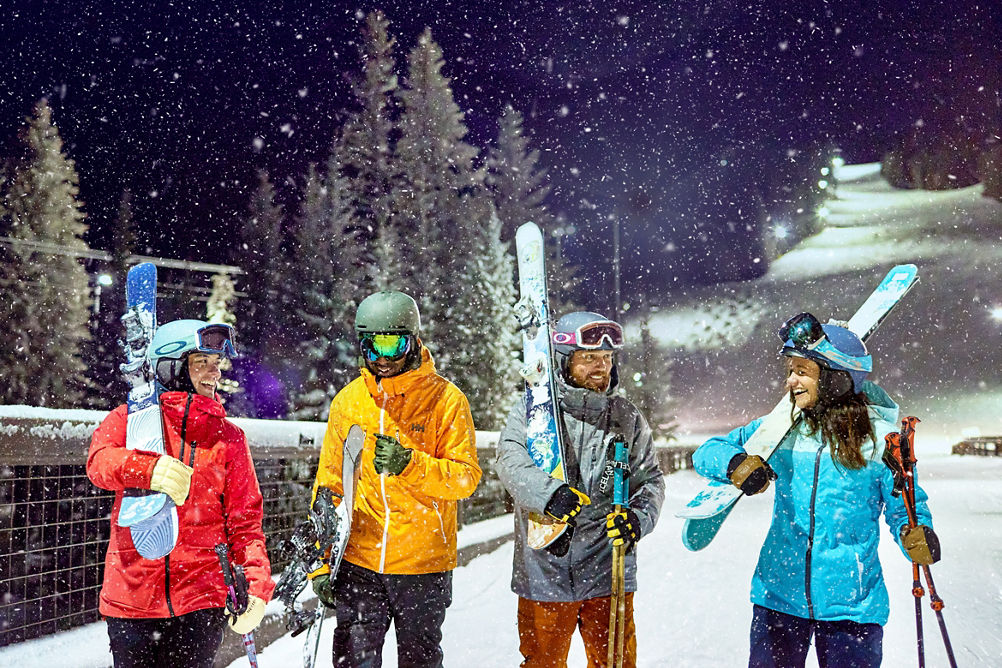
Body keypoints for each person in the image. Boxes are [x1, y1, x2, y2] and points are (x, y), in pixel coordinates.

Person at [692, 313, 940, 668]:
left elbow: (906, 506)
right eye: (790, 370)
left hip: (852, 607)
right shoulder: (779, 429)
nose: (790, 381)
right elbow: (707, 452)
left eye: (802, 371)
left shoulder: (881, 440)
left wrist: (915, 533)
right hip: (778, 597)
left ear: (836, 378)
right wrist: (735, 465)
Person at [308, 290, 482, 667]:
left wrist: (412, 465)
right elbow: (330, 484)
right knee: (355, 660)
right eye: (373, 347)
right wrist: (322, 564)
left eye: (394, 345)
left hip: (422, 564)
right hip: (360, 560)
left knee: (419, 660)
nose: (383, 359)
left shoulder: (446, 400)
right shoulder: (349, 402)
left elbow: (466, 477)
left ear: (414, 341)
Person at [87, 319, 273, 667]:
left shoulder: (228, 438)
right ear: (171, 367)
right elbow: (99, 463)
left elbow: (246, 522)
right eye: (201, 362)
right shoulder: (129, 420)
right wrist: (147, 469)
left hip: (201, 601)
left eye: (217, 364)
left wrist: (257, 586)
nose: (213, 373)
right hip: (132, 598)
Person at [495, 311, 666, 668]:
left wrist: (638, 518)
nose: (600, 367)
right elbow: (510, 461)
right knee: (542, 662)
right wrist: (549, 494)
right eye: (588, 358)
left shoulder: (626, 417)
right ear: (563, 361)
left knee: (615, 663)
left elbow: (649, 479)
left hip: (608, 567)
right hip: (545, 569)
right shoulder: (533, 411)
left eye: (606, 358)